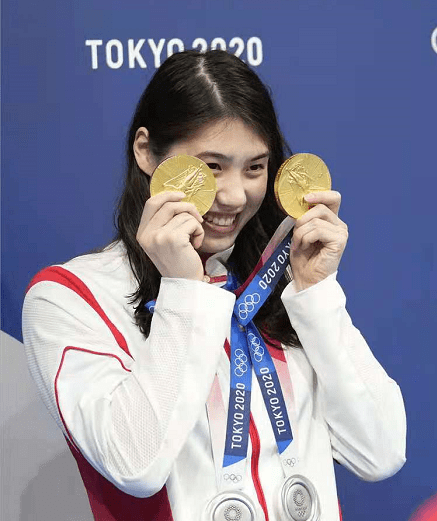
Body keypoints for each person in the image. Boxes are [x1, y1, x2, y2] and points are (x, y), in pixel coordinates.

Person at [22, 50, 406, 521]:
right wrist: (184, 290)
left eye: (254, 168)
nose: (233, 195)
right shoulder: (70, 296)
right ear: (146, 152)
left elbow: (380, 452)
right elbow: (135, 464)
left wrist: (317, 294)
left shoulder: (279, 281)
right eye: (210, 167)